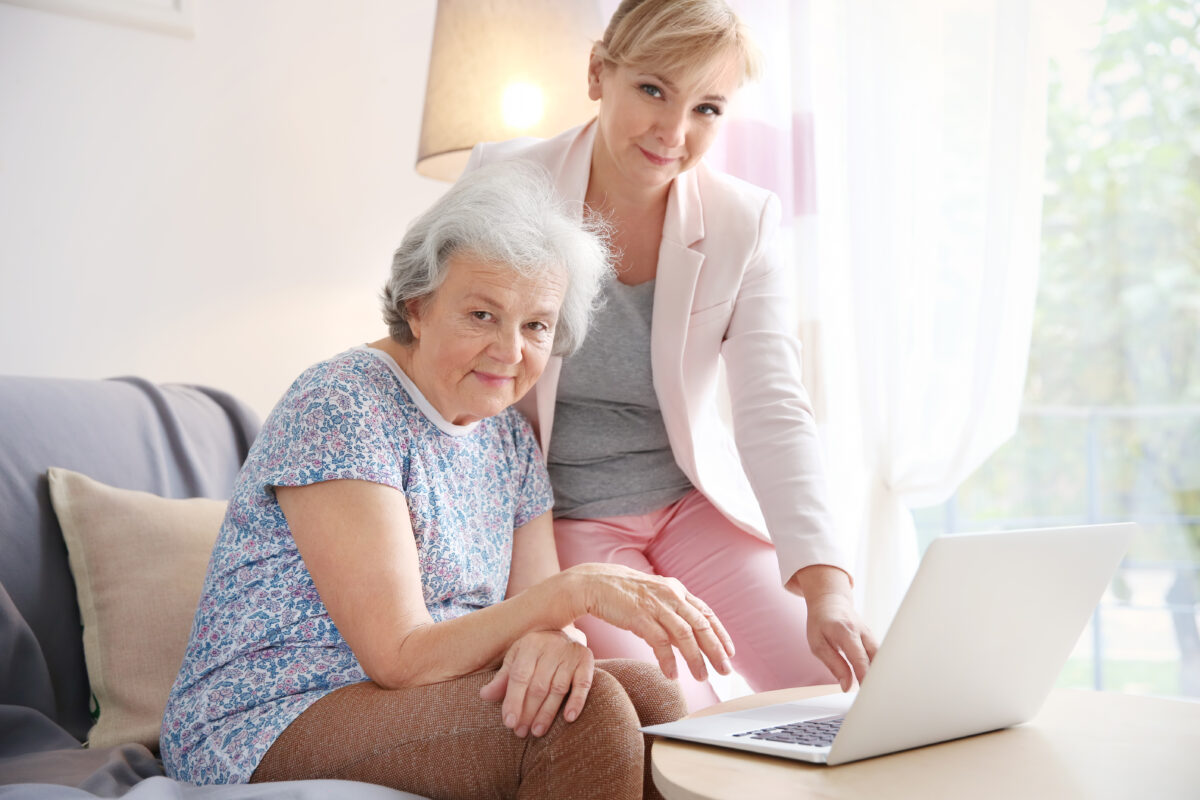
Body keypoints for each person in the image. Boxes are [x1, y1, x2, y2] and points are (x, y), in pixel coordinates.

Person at [160, 160, 736, 800]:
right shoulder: (341, 405)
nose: (511, 351)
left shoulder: (510, 440)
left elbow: (539, 612)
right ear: (419, 305)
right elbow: (400, 656)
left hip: (421, 691)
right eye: (482, 315)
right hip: (272, 712)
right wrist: (571, 600)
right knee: (584, 716)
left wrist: (555, 638)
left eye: (536, 325)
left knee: (649, 699)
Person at [463, 0, 878, 710]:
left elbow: (773, 406)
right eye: (653, 89)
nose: (674, 132)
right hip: (566, 521)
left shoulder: (741, 222)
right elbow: (452, 364)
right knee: (671, 716)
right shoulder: (506, 185)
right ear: (600, 73)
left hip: (692, 505)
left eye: (707, 108)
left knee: (847, 694)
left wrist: (826, 583)